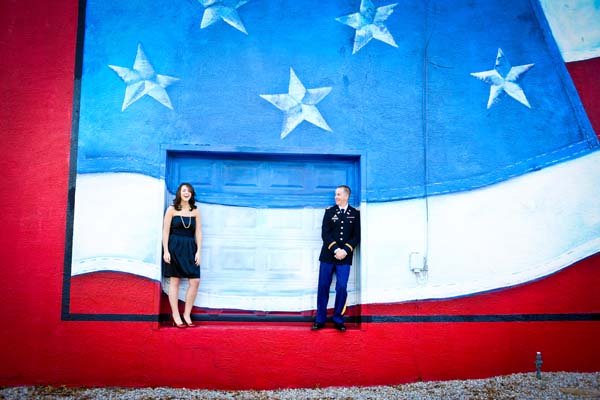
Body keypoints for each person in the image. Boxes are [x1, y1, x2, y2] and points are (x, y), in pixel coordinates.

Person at [312, 185, 361, 332]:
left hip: (344, 258)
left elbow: (356, 236)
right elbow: (325, 234)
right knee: (323, 287)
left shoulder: (355, 214)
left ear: (346, 196)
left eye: (338, 194)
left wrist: (345, 250)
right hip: (328, 256)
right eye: (336, 195)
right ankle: (320, 319)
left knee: (341, 287)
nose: (336, 197)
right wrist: (335, 249)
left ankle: (338, 318)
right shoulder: (329, 212)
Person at [162, 183, 202, 328]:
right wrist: (166, 250)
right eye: (184, 190)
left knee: (195, 281)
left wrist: (198, 251)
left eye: (189, 191)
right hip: (174, 247)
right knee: (175, 281)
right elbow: (165, 232)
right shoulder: (171, 210)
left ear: (192, 194)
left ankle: (187, 314)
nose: (187, 193)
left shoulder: (195, 211)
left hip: (190, 248)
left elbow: (198, 232)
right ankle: (176, 315)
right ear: (179, 193)